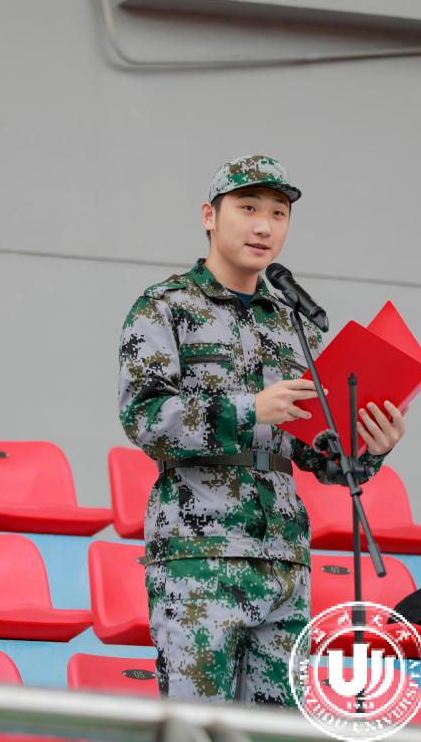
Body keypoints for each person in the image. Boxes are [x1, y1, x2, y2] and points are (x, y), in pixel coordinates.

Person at [117, 155, 406, 706]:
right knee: (197, 726)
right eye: (248, 208)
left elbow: (319, 456)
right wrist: (249, 410)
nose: (264, 226)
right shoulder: (165, 306)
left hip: (283, 559)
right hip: (199, 556)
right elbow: (145, 417)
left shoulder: (292, 324)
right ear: (209, 215)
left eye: (278, 213)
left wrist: (368, 446)